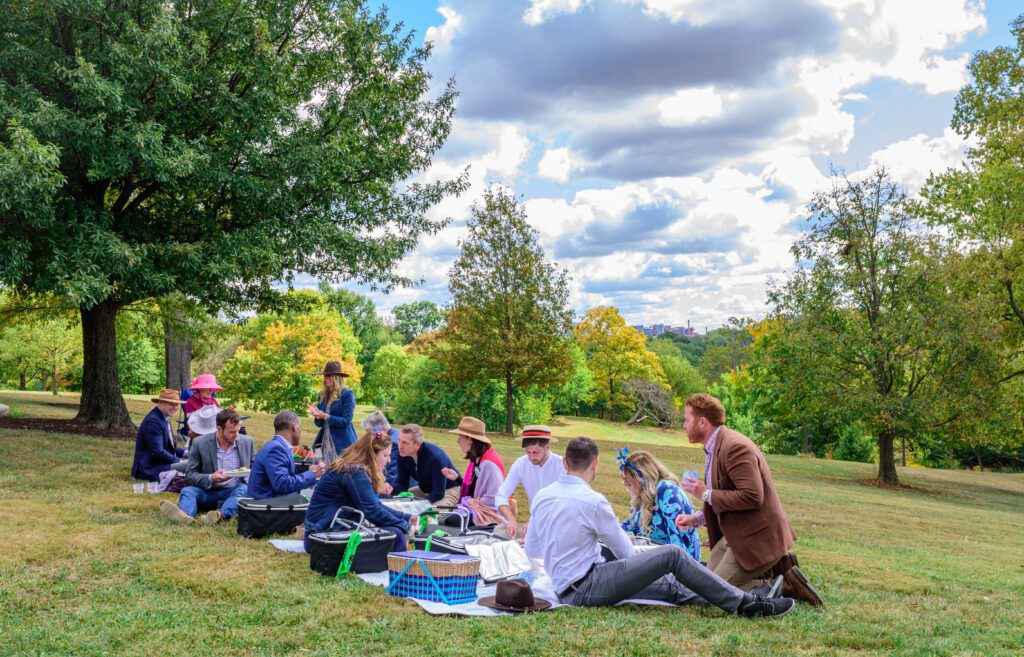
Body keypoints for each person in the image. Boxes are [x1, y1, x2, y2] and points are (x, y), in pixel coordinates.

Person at [524, 437, 794, 617]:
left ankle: (754, 593)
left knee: (671, 588)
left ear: (563, 462)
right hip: (586, 586)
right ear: (594, 463)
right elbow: (626, 554)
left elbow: (534, 549)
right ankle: (746, 605)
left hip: (567, 586)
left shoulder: (542, 496)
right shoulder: (593, 501)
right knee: (671, 556)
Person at [675, 393, 822, 606]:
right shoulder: (715, 447)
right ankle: (778, 571)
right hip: (734, 538)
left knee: (710, 594)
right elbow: (727, 497)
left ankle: (780, 584)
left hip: (756, 541)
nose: (684, 425)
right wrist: (697, 519)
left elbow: (753, 496)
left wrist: (706, 494)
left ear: (702, 422)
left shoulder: (734, 446)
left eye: (687, 420)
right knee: (700, 585)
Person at [304, 430, 415, 552]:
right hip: (322, 537)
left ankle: (398, 564)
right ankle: (401, 567)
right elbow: (373, 512)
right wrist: (406, 526)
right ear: (372, 454)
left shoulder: (354, 467)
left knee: (395, 532)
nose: (388, 461)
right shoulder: (354, 471)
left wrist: (408, 518)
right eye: (385, 455)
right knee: (397, 534)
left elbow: (376, 505)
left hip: (323, 532)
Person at [159, 409, 254, 526]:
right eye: (231, 432)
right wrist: (211, 478)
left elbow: (255, 469)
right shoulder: (200, 443)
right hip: (208, 491)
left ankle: (220, 516)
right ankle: (184, 516)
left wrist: (248, 474)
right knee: (187, 491)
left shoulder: (247, 442)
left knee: (243, 488)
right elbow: (190, 475)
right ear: (219, 429)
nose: (236, 435)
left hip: (233, 492)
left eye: (238, 431)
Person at [617, 448, 701, 561]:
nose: (625, 484)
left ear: (642, 478)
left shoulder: (666, 490)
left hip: (673, 562)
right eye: (624, 479)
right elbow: (629, 526)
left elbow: (678, 539)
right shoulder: (641, 497)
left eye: (628, 480)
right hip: (651, 558)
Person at [494, 425, 564, 539]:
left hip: (558, 524)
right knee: (499, 532)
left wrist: (535, 520)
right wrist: (511, 519)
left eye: (535, 452)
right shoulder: (521, 464)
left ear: (547, 447)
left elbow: (564, 503)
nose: (531, 457)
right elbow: (501, 495)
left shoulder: (561, 465)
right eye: (528, 452)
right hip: (534, 525)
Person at [441, 416, 505, 527]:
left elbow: (494, 497)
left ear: (470, 439)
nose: (458, 441)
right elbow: (474, 489)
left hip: (490, 512)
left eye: (460, 436)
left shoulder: (489, 464)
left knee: (451, 522)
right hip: (478, 508)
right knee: (449, 519)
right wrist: (457, 479)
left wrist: (471, 503)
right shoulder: (477, 459)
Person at [247, 411, 325, 499]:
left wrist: (309, 473)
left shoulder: (277, 446)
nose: (300, 431)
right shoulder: (276, 448)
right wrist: (312, 474)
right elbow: (282, 484)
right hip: (269, 508)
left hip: (272, 505)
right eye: (300, 427)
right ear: (294, 427)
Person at [394, 423, 461, 507]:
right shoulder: (403, 454)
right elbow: (402, 483)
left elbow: (439, 493)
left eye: (405, 443)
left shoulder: (435, 457)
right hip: (425, 489)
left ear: (418, 444)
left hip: (448, 489)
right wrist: (390, 492)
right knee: (396, 505)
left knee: (432, 515)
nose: (400, 446)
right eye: (399, 440)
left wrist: (418, 506)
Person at [131, 388, 187, 482]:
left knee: (194, 460)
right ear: (161, 402)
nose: (175, 407)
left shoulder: (164, 417)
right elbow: (157, 452)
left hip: (160, 463)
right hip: (149, 469)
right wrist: (180, 461)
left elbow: (170, 447)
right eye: (171, 404)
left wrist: (187, 453)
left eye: (176, 404)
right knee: (193, 465)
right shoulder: (154, 421)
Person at [307, 360, 357, 463]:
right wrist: (317, 416)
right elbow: (320, 424)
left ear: (337, 377)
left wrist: (326, 416)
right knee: (322, 470)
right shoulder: (322, 395)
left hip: (342, 444)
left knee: (342, 473)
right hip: (324, 441)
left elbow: (346, 421)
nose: (325, 378)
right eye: (325, 376)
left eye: (329, 376)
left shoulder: (347, 394)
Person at [361, 410, 411, 491]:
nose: (371, 439)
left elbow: (390, 474)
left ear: (379, 430)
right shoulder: (394, 435)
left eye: (370, 435)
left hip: (399, 488)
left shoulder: (392, 443)